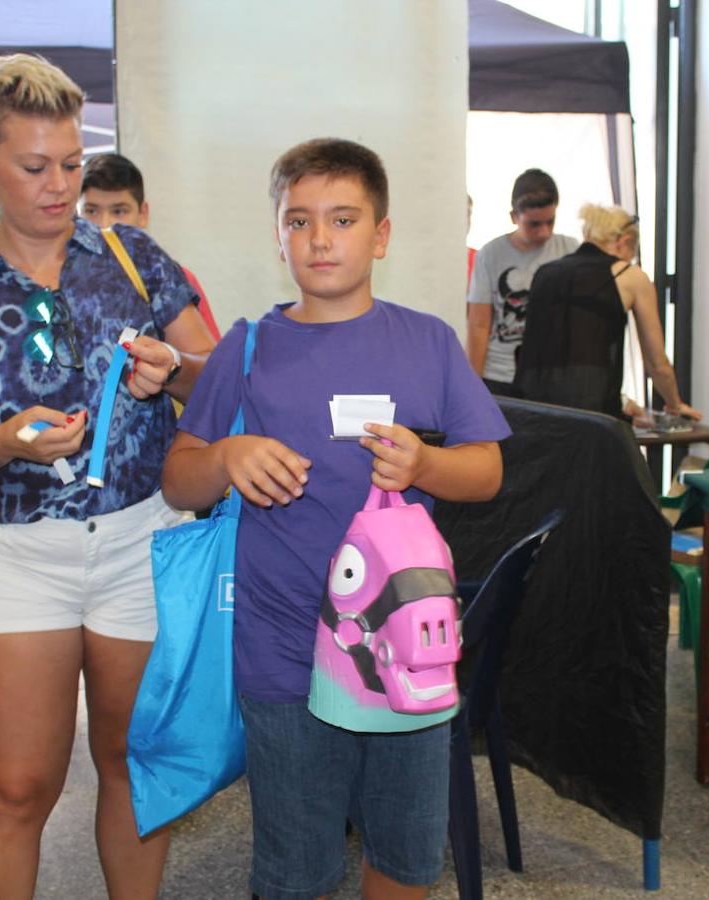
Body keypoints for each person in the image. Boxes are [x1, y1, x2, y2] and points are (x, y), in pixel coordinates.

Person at [0, 53, 215, 898]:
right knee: (11, 790)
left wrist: (170, 368)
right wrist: (1, 442)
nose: (59, 185)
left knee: (132, 764)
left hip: (137, 542)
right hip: (13, 559)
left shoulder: (133, 256)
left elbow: (217, 379)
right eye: (34, 166)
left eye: (72, 164)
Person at [162, 138, 508, 900]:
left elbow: (487, 470)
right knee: (295, 868)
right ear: (278, 234)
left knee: (406, 854)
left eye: (343, 219)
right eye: (299, 221)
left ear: (381, 234)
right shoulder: (246, 350)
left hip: (404, 653)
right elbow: (180, 480)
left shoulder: (427, 342)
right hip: (284, 652)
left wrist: (426, 465)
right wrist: (227, 459)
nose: (320, 238)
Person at [515, 204, 700, 422]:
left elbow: (557, 355)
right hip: (594, 414)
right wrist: (675, 404)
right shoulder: (629, 275)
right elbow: (656, 363)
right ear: (625, 243)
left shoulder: (545, 272)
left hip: (533, 408)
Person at [79, 152, 223, 342]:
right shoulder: (56, 279)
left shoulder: (175, 280)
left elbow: (211, 363)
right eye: (91, 211)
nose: (105, 224)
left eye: (119, 211)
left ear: (143, 214)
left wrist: (171, 362)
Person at [466, 168, 578, 394]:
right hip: (500, 375)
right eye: (534, 224)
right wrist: (472, 388)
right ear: (514, 217)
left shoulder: (570, 249)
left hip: (553, 375)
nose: (544, 232)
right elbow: (478, 325)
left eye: (550, 221)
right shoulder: (490, 255)